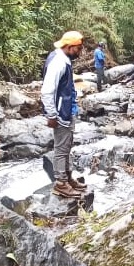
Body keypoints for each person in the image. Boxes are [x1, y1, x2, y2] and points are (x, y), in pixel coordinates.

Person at [41, 30, 87, 199]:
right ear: (69, 47)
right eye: (78, 48)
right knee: (61, 148)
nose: (80, 52)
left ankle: (67, 178)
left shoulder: (62, 58)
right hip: (60, 113)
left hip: (66, 110)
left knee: (66, 146)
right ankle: (61, 183)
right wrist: (52, 115)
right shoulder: (58, 63)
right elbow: (47, 91)